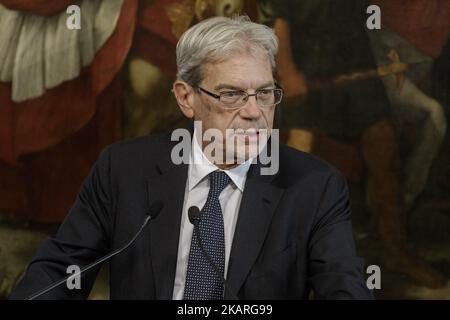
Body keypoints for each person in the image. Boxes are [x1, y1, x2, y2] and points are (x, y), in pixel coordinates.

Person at [10, 15, 371, 300]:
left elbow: (343, 287)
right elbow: (60, 272)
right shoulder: (123, 170)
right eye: (231, 94)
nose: (253, 112)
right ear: (186, 98)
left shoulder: (315, 186)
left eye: (264, 93)